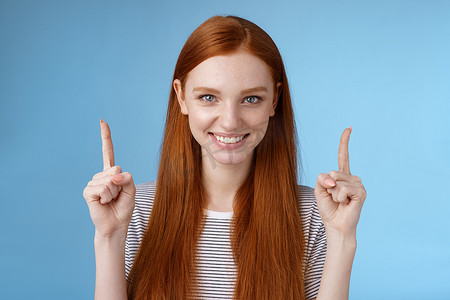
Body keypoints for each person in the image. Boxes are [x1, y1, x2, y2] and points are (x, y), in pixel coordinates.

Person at [83, 15, 367, 300]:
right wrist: (109, 237)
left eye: (251, 99)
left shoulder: (315, 213)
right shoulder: (136, 210)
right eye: (209, 97)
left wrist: (342, 238)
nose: (230, 122)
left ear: (274, 100)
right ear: (181, 98)